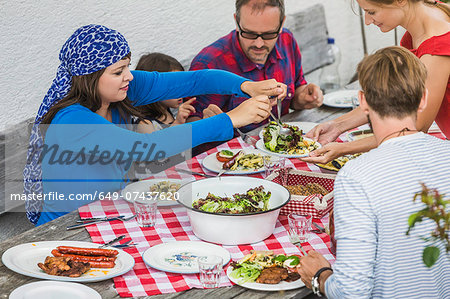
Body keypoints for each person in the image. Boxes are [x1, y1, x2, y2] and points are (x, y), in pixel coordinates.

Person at [23, 24, 287, 226]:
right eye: (118, 72)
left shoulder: (121, 90)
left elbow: (195, 80)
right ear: (89, 77)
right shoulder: (72, 120)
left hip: (111, 214)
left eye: (127, 66)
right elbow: (148, 147)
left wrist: (246, 86)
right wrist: (231, 119)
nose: (129, 76)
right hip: (66, 228)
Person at [296, 46, 450, 298]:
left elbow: (351, 292)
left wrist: (319, 277)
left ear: (363, 101)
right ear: (423, 97)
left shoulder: (357, 176)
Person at [302, 0, 450, 165]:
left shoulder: (436, 46)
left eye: (371, 12)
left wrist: (344, 148)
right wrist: (336, 125)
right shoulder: (427, 19)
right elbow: (395, 100)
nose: (367, 20)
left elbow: (415, 128)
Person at [187, 0, 323, 134]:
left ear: (281, 24)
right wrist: (211, 123)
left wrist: (302, 98)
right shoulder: (209, 64)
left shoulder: (286, 41)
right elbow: (189, 130)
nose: (259, 44)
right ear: (236, 21)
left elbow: (295, 94)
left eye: (269, 34)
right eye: (250, 33)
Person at [130, 52, 196, 178]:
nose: (181, 90)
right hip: (154, 185)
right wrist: (178, 123)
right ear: (151, 88)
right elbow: (156, 152)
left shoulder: (167, 111)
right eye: (173, 86)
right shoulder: (144, 123)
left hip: (179, 176)